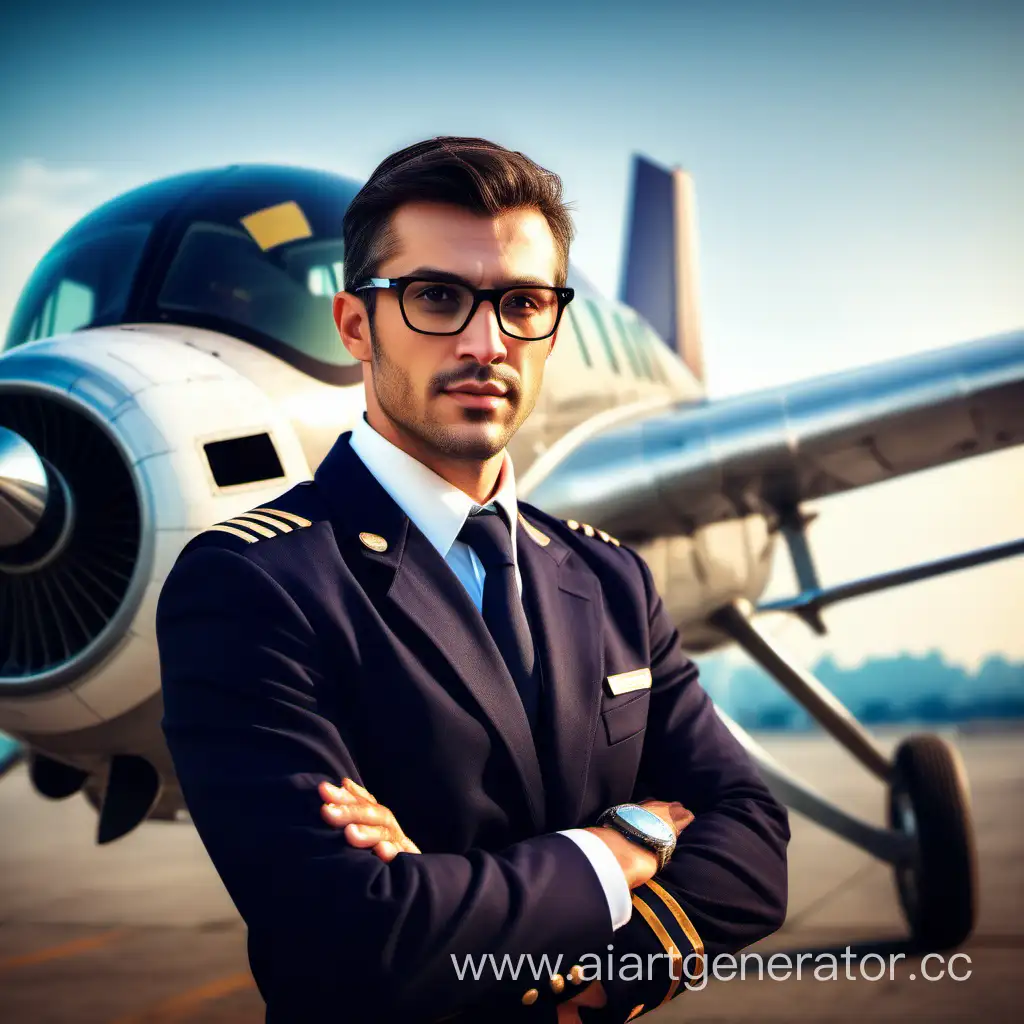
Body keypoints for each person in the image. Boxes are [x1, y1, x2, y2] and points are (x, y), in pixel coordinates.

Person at [156, 136, 790, 1023]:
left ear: (550, 329)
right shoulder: (253, 585)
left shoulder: (610, 579)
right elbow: (355, 935)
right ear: (353, 325)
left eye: (522, 303)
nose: (486, 341)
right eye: (437, 298)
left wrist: (621, 970)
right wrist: (621, 848)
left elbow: (755, 838)